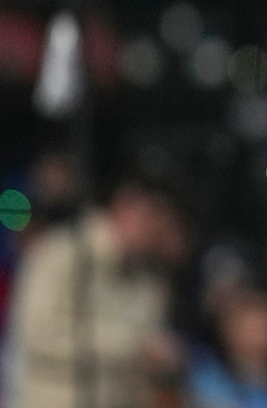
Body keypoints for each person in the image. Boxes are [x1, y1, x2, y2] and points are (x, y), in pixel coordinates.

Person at [3, 167, 193, 408]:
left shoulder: (150, 279)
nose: (155, 227)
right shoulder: (58, 254)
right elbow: (39, 336)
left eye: (163, 218)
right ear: (123, 205)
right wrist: (134, 347)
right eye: (149, 215)